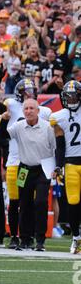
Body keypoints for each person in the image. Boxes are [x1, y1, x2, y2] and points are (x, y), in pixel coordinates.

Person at [7, 98, 56, 252]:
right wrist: (3, 119)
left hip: (44, 167)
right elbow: (1, 134)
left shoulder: (48, 127)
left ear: (38, 111)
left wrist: (56, 168)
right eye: (26, 108)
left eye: (31, 108)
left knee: (41, 202)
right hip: (24, 169)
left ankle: (40, 239)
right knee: (24, 203)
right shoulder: (18, 126)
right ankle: (25, 239)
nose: (28, 111)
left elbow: (55, 148)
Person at [49, 81, 81, 254]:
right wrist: (59, 166)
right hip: (71, 163)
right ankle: (76, 238)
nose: (71, 98)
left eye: (74, 95)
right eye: (68, 95)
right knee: (73, 202)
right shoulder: (59, 116)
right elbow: (60, 145)